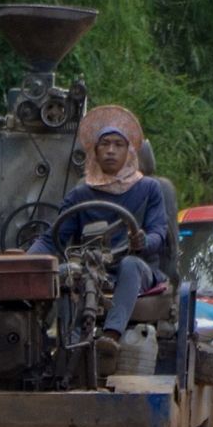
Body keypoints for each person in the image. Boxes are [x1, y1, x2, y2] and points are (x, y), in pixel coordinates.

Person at [27, 104, 168, 374]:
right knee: (70, 272)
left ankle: (110, 339)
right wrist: (29, 260)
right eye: (105, 144)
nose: (111, 150)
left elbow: (158, 233)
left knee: (129, 265)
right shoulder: (81, 193)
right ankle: (67, 344)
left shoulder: (149, 189)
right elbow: (53, 238)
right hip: (92, 267)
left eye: (118, 144)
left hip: (139, 269)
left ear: (130, 152)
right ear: (95, 151)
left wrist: (142, 241)